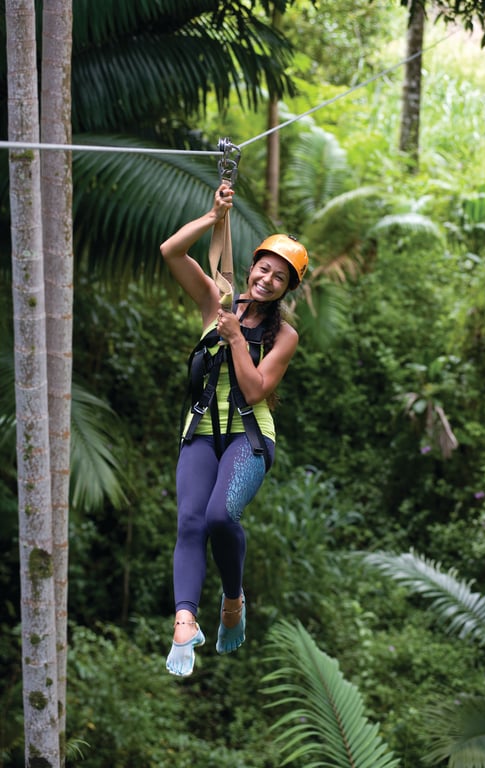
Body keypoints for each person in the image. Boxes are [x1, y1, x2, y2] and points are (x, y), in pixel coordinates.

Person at [160, 182, 308, 677]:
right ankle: (185, 621)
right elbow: (171, 251)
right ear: (251, 267)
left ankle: (232, 599)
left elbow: (256, 390)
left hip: (249, 436)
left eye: (280, 277)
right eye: (264, 268)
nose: (268, 279)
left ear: (287, 288)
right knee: (190, 521)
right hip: (201, 429)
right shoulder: (216, 299)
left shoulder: (283, 335)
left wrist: (237, 341)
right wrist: (213, 216)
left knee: (221, 517)